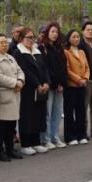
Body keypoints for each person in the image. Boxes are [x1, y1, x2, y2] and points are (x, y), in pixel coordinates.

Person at [0, 34, 25, 162]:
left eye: (6, 42)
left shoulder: (10, 57)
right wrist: (15, 83)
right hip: (2, 97)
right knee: (0, 127)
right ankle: (0, 151)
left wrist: (20, 81)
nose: (5, 44)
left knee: (11, 126)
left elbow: (20, 71)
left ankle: (10, 149)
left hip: (14, 95)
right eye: (1, 42)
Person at [14, 27, 49, 156]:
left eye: (32, 37)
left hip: (40, 89)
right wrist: (37, 84)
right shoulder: (18, 52)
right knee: (27, 116)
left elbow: (44, 68)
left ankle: (36, 142)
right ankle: (26, 144)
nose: (31, 40)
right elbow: (25, 71)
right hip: (27, 89)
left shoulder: (37, 51)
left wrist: (46, 82)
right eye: (28, 37)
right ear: (21, 39)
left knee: (38, 115)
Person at [39, 23, 66, 152]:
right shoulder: (42, 47)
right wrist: (53, 83)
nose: (55, 34)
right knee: (47, 113)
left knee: (57, 112)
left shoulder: (60, 48)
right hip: (49, 85)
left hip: (59, 85)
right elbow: (45, 68)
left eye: (56, 32)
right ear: (47, 33)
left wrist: (62, 83)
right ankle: (46, 138)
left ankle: (55, 136)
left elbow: (63, 67)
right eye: (52, 31)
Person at [63, 29, 90, 146]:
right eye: (73, 37)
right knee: (69, 112)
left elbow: (87, 67)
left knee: (81, 111)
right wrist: (78, 79)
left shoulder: (82, 52)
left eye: (78, 37)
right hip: (71, 86)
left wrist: (85, 78)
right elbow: (67, 69)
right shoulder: (66, 52)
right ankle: (70, 136)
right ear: (69, 39)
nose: (76, 39)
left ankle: (81, 134)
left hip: (82, 85)